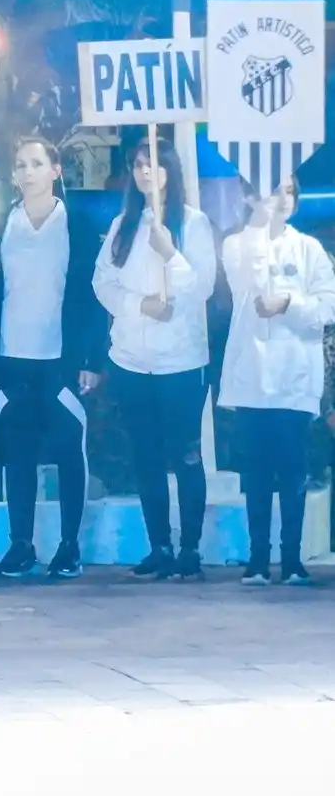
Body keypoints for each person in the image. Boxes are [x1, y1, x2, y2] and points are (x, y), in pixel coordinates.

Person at [0, 137, 106, 579]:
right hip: (13, 358)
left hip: (60, 359)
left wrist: (92, 358)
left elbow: (91, 294)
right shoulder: (0, 225)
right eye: (20, 165)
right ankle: (20, 544)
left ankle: (69, 545)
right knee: (17, 455)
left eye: (36, 163)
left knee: (69, 450)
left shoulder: (78, 225)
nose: (27, 172)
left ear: (55, 170)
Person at [92, 140, 218, 580]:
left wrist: (171, 253)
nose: (146, 173)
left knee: (185, 455)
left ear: (171, 171)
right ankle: (159, 545)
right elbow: (102, 282)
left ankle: (190, 548)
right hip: (131, 360)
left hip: (180, 362)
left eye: (155, 166)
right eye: (139, 166)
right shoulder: (123, 225)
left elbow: (203, 286)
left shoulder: (193, 223)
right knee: (144, 456)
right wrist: (138, 305)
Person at [220, 176, 335, 586]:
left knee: (291, 473)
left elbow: (328, 305)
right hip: (252, 378)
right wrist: (258, 223)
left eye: (288, 191)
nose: (281, 199)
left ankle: (291, 560)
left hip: (294, 380)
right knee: (255, 474)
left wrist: (288, 302)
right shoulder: (236, 244)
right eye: (272, 190)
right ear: (250, 196)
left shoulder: (310, 249)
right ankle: (256, 560)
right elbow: (243, 279)